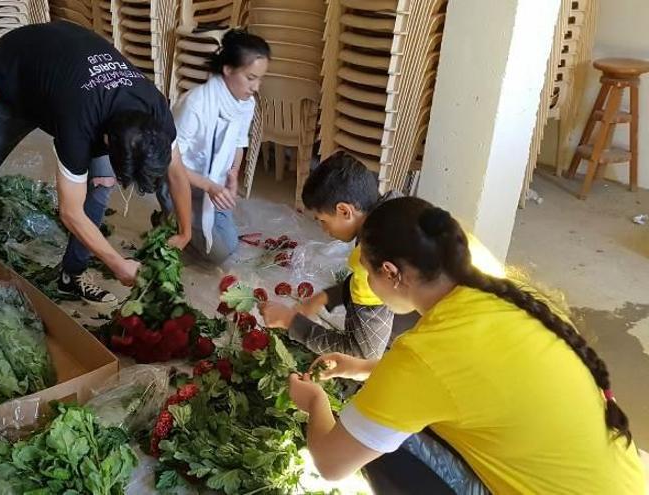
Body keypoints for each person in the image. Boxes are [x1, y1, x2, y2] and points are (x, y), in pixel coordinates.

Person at [284, 197, 646, 493]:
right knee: (396, 416)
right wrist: (361, 367)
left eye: (367, 270)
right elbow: (472, 378)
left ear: (392, 273)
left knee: (384, 447)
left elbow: (331, 464)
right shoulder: (512, 298)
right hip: (626, 483)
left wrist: (314, 400)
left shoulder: (423, 354)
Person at [0, 22, 193, 303]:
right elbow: (70, 212)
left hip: (62, 79)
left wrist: (185, 232)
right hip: (12, 81)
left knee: (100, 188)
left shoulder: (155, 112)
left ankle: (70, 276)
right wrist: (117, 264)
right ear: (108, 142)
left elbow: (177, 175)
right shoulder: (78, 123)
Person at [261, 151, 505, 359]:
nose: (323, 230)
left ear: (344, 210)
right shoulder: (402, 208)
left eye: (322, 221)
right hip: (494, 314)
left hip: (467, 350)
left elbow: (363, 354)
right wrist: (328, 297)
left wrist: (291, 323)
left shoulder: (369, 264)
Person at [155, 29, 269, 264]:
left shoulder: (244, 103)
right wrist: (209, 186)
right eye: (250, 78)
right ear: (228, 70)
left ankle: (187, 222)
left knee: (228, 245)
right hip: (180, 181)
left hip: (211, 182)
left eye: (260, 79)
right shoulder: (196, 105)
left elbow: (239, 143)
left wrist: (233, 174)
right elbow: (169, 164)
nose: (256, 87)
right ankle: (168, 217)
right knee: (216, 255)